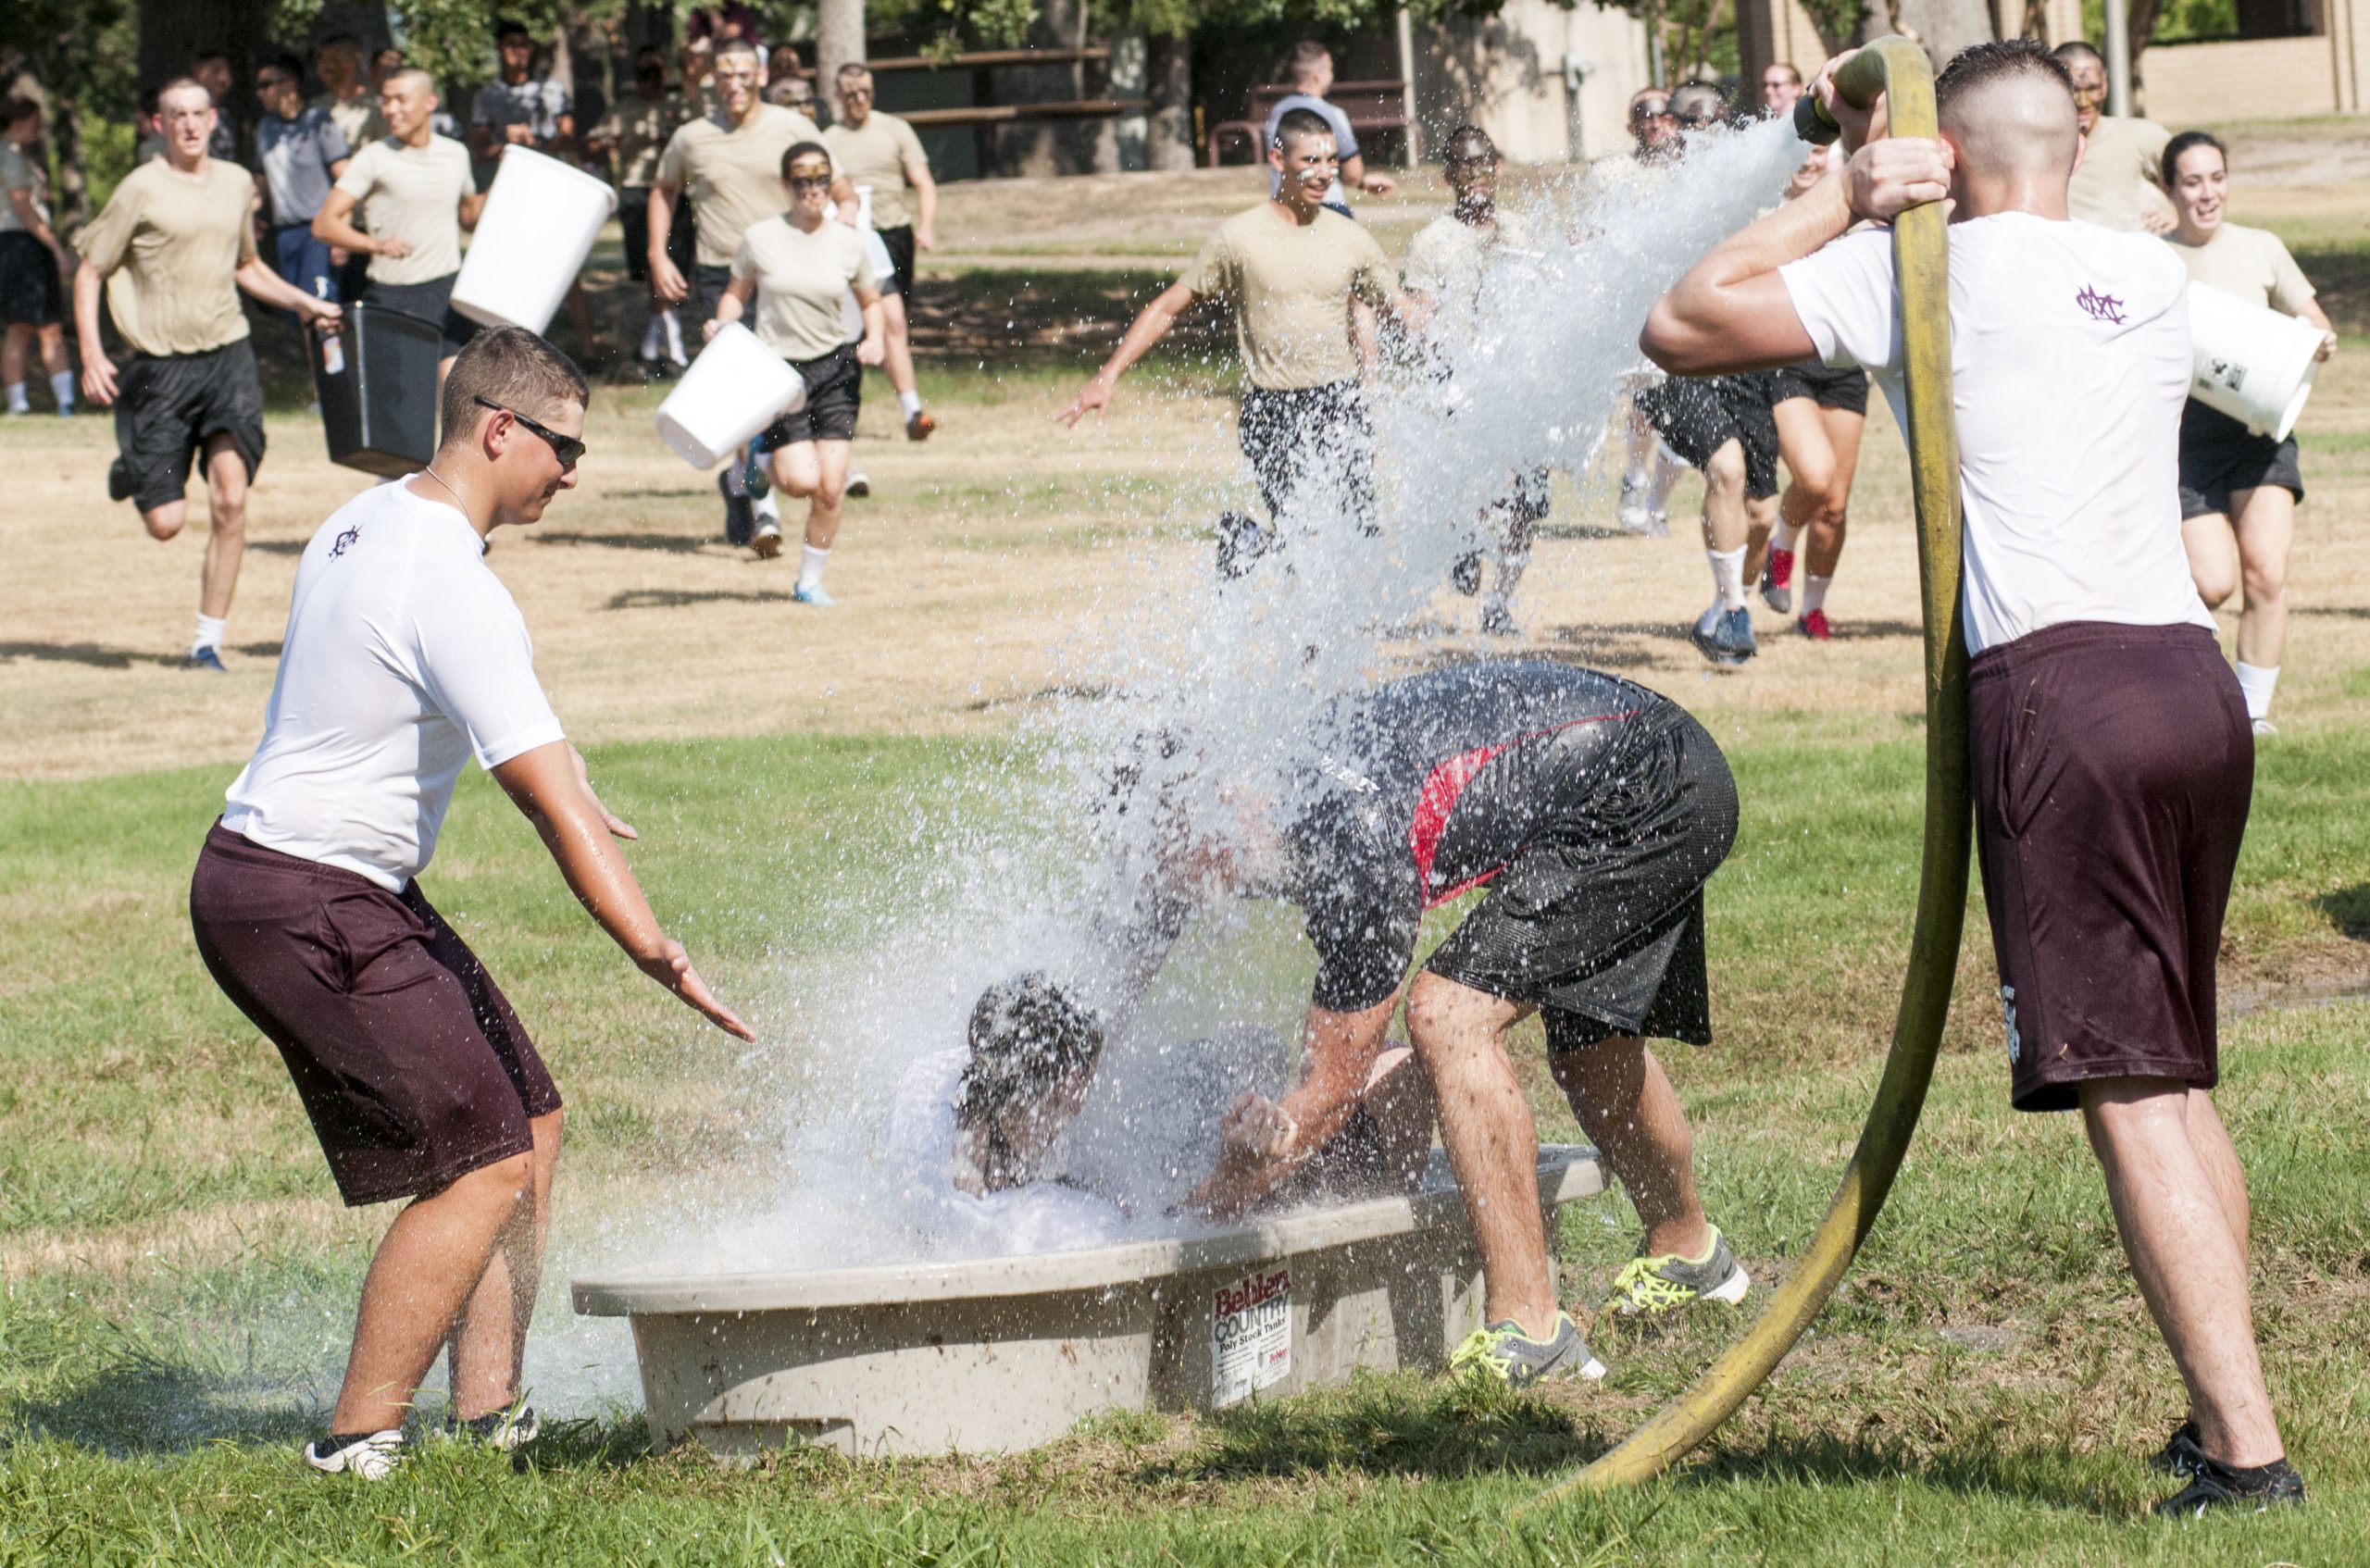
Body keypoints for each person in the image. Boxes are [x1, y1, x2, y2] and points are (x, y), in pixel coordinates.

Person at [1643, 38, 2301, 1517]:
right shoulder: (2137, 272)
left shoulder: (1924, 270)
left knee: (2129, 1092)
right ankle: (2218, 1415)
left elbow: (1678, 321)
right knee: (2179, 1077)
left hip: (2061, 694)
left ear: (1942, 155)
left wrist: (1844, 200)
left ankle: (2250, 1458)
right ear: (2071, 145)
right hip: (2189, 684)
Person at [188, 327, 754, 1482]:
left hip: (305, 878)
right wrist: (658, 950)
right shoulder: (452, 578)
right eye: (564, 445)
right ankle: (353, 1441)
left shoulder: (371, 518)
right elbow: (547, 809)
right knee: (483, 1160)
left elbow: (490, 716)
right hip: (304, 892)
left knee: (527, 1120)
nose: (574, 470)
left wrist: (573, 770)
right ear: (502, 429)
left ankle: (488, 1416)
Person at [970, 663, 1751, 1385]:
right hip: (1635, 755)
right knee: (1590, 1046)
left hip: (1653, 785)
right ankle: (1690, 1254)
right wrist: (1009, 1106)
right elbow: (1091, 1009)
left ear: (1213, 806)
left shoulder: (1352, 842)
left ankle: (1532, 1332)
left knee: (1446, 1015)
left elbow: (1332, 1092)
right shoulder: (1202, 826)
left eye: (1158, 855)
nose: (1153, 884)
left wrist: (1217, 1194)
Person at [1055, 108, 1420, 556]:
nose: (1324, 173)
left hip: (1339, 402)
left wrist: (1439, 330)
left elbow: (1396, 306)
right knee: (1306, 543)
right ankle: (1248, 542)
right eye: (1310, 161)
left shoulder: (1351, 237)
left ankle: (1247, 545)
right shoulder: (1240, 237)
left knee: (1359, 537)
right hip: (1273, 409)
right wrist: (1108, 375)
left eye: (1330, 161)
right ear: (1278, 160)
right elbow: (1169, 307)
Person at [73, 78, 341, 669]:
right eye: (177, 116)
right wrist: (93, 355)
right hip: (160, 371)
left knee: (230, 499)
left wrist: (304, 302)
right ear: (159, 125)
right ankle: (137, 465)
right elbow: (90, 270)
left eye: (199, 114)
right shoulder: (140, 189)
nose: (190, 125)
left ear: (213, 118)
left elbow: (245, 265)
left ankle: (206, 644)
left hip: (226, 359)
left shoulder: (236, 183)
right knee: (168, 523)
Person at [2162, 131, 2336, 738]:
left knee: (2265, 572)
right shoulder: (2151, 258)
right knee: (2210, 582)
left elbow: (2312, 319)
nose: (2207, 194)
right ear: (2169, 190)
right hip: (2185, 442)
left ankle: (2252, 713)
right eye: (2191, 181)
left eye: (2216, 178)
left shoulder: (2261, 247)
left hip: (2261, 431)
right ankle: (2174, 690)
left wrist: (2318, 337)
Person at [649, 36, 828, 545]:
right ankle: (763, 507)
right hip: (719, 275)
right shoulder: (691, 137)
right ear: (713, 79)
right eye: (724, 75)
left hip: (785, 274)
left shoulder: (792, 127)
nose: (734, 83)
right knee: (743, 386)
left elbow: (833, 187)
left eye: (743, 73)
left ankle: (739, 479)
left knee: (784, 386)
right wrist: (658, 255)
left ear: (761, 76)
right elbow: (664, 190)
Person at [1635, 81, 1784, 666]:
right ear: (1670, 128)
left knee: (1760, 511)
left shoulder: (1750, 193)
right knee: (1726, 469)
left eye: (1715, 125)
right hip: (1674, 360)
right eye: (1691, 125)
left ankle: (1724, 606)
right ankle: (1733, 611)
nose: (1704, 137)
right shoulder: (1646, 194)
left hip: (1744, 359)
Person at [705, 141, 885, 597]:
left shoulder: (848, 242)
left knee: (832, 486)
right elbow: (736, 292)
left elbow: (871, 301)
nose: (813, 189)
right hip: (779, 373)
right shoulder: (760, 238)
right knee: (802, 482)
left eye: (822, 179)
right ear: (786, 185)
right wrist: (721, 323)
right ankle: (755, 457)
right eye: (802, 181)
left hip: (836, 370)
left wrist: (876, 339)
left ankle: (809, 581)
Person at [1402, 124, 1547, 637]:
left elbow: (1543, 298)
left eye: (1484, 164)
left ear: (1498, 168)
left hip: (1517, 382)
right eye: (1465, 167)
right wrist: (1443, 344)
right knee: (1482, 487)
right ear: (1448, 176)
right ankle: (1465, 536)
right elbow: (1418, 314)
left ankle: (1499, 605)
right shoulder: (1431, 242)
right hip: (1459, 383)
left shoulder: (1521, 230)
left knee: (1528, 501)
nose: (1476, 175)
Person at [1757, 142, 1870, 641]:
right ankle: (1780, 545)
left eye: (1818, 150)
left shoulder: (1858, 207)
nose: (1807, 159)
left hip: (1844, 365)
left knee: (1834, 507)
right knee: (1816, 477)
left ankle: (1813, 610)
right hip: (1789, 363)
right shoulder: (1764, 213)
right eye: (1797, 151)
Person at [313, 68, 485, 385]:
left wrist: (501, 188)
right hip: (393, 297)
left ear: (430, 102)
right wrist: (376, 245)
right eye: (386, 101)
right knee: (406, 403)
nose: (390, 109)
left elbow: (468, 220)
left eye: (400, 100)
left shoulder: (455, 154)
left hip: (446, 291)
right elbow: (324, 225)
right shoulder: (373, 158)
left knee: (457, 394)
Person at [824, 63, 938, 442]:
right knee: (866, 323)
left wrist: (925, 226)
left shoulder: (894, 129)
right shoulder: (828, 140)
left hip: (892, 236)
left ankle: (911, 412)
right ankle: (840, 411)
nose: (859, 99)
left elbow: (923, 183)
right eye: (851, 93)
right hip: (849, 240)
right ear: (838, 96)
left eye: (866, 92)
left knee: (894, 323)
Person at [1600, 88, 1682, 536]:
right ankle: (1634, 478)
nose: (1655, 122)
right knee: (1650, 399)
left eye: (1664, 114)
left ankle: (1658, 502)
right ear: (1632, 126)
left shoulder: (1696, 169)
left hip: (1692, 298)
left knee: (1692, 404)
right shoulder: (1617, 172)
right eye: (1644, 115)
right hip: (1642, 303)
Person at [589, 46, 693, 373]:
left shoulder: (680, 109)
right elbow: (592, 142)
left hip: (674, 192)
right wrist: (606, 144)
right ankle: (669, 349)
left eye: (656, 74)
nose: (650, 82)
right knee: (651, 272)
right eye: (643, 75)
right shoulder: (625, 109)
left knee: (673, 269)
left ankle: (658, 349)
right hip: (637, 192)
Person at [252, 56, 352, 308]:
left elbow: (348, 179)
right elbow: (260, 184)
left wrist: (341, 234)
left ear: (289, 84)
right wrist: (250, 215)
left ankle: (331, 351)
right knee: (299, 312)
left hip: (318, 232)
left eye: (266, 85)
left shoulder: (318, 121)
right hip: (284, 234)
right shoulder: (265, 128)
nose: (259, 93)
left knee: (322, 308)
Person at [1, 94, 75, 417]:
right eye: (35, 122)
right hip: (22, 245)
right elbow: (24, 208)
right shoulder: (12, 158)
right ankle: (46, 403)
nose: (40, 128)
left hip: (18, 245)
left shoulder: (17, 157)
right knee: (34, 326)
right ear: (19, 122)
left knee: (35, 328)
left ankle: (37, 403)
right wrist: (56, 249)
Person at [2052, 41, 2173, 235]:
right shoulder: (2038, 151)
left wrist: (2179, 219)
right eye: (2073, 90)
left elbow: (2197, 186)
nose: (2083, 102)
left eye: (2092, 89)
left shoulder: (2142, 136)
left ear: (2105, 84)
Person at [1261, 42, 1396, 214]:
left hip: (1283, 207)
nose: (1332, 75)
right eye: (1330, 69)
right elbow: (1352, 173)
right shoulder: (1330, 114)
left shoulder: (1276, 113)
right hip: (1327, 205)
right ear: (1318, 74)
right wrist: (1361, 181)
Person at [190, 52, 242, 163]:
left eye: (227, 72)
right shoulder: (187, 114)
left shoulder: (228, 116)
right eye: (216, 71)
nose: (223, 79)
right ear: (197, 72)